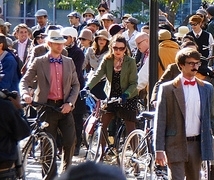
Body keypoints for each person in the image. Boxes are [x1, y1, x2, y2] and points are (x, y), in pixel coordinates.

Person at [154, 48, 214, 180]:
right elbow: (160, 120)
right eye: (191, 63)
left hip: (197, 144)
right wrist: (159, 149)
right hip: (175, 143)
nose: (195, 66)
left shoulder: (207, 88)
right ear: (181, 65)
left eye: (197, 63)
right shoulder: (167, 88)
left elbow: (212, 118)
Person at [20, 30, 80, 179]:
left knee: (70, 141)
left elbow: (76, 85)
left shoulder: (68, 61)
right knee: (48, 145)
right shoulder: (39, 61)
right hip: (46, 107)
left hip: (64, 106)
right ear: (50, 44)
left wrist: (70, 103)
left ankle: (66, 174)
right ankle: (49, 176)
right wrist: (26, 94)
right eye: (57, 43)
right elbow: (24, 81)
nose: (61, 46)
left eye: (62, 43)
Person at [85, 35, 139, 151]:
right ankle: (101, 154)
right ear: (111, 47)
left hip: (127, 96)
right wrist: (87, 87)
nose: (118, 51)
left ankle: (136, 158)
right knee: (103, 125)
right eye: (115, 48)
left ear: (125, 49)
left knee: (131, 128)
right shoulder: (107, 59)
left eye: (121, 48)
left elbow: (134, 83)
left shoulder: (131, 62)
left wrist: (126, 94)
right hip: (111, 96)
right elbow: (98, 75)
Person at [61, 27, 87, 156]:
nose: (64, 40)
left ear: (73, 38)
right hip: (62, 88)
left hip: (75, 87)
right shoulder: (59, 51)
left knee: (77, 118)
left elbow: (75, 72)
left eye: (66, 37)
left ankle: (77, 144)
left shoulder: (78, 53)